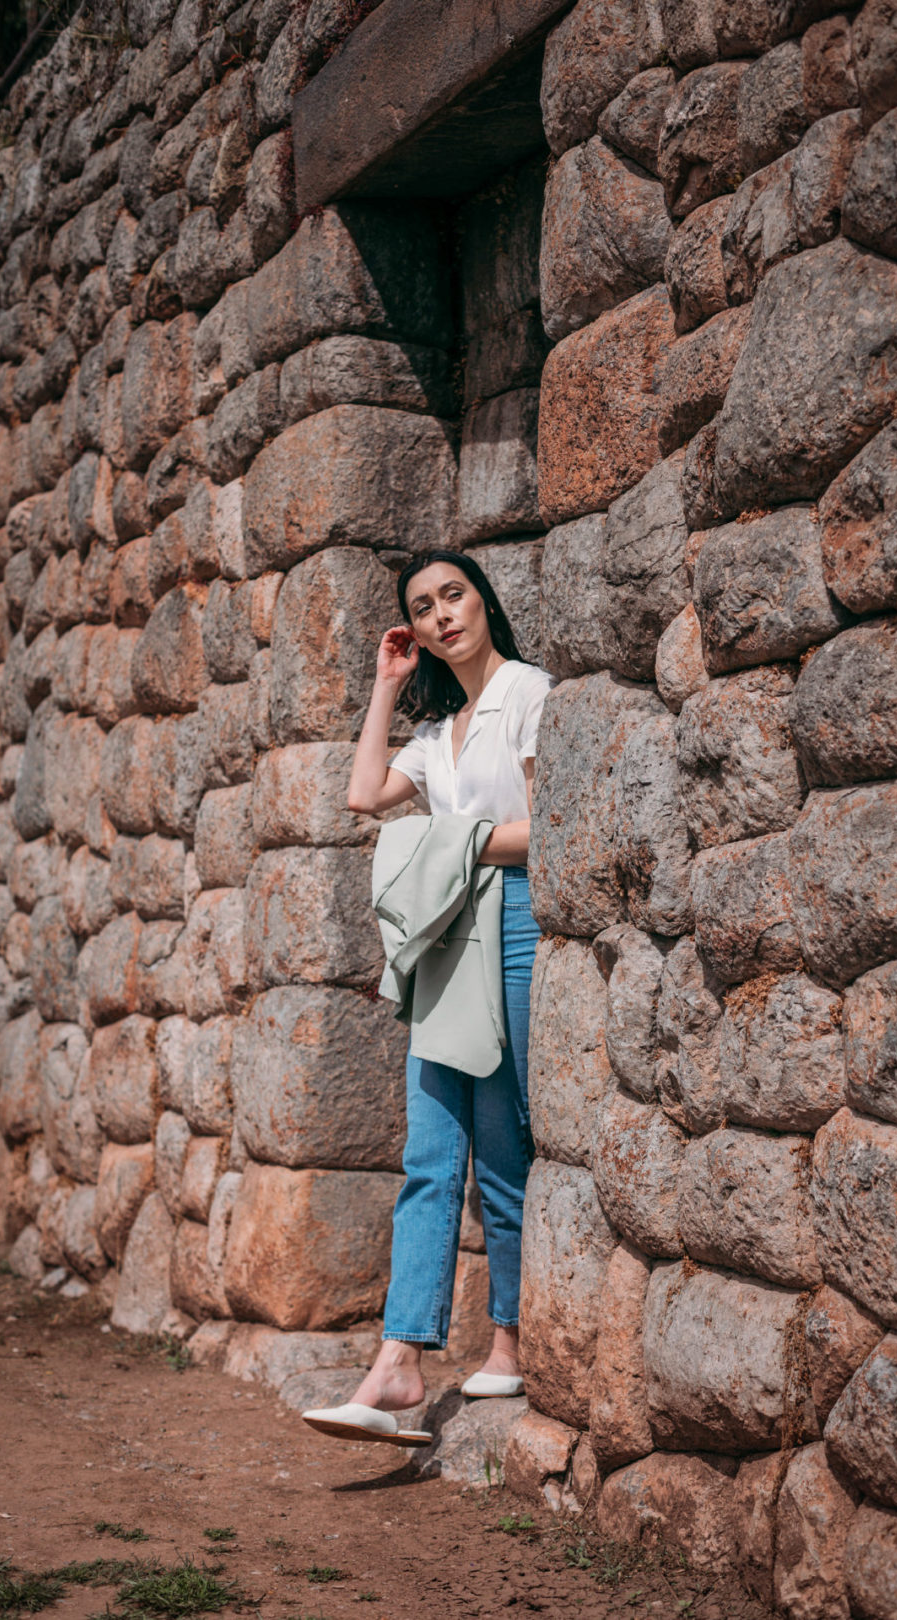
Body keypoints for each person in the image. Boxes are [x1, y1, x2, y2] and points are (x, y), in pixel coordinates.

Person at [301, 549, 554, 1447]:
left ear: (483, 600)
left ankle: (509, 1341)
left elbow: (546, 829)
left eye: (455, 595)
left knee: (506, 1141)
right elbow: (363, 794)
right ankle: (399, 1360)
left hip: (513, 917)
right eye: (424, 606)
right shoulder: (436, 732)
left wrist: (452, 842)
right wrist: (386, 683)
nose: (443, 614)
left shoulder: (528, 692)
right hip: (448, 932)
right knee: (430, 1147)